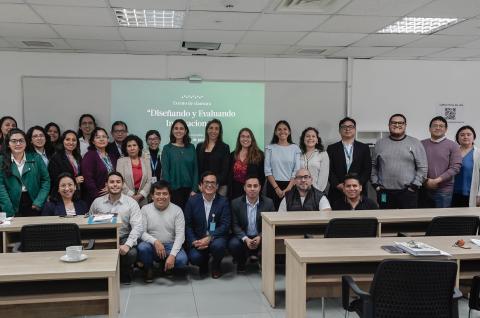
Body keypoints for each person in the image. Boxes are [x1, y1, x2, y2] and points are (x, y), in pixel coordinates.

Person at [89, 172, 143, 284]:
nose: (115, 185)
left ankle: (125, 271)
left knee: (131, 253)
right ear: (106, 184)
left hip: (123, 237)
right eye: (111, 182)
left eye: (118, 182)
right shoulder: (97, 202)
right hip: (103, 236)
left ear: (123, 184)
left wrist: (127, 245)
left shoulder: (131, 203)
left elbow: (137, 227)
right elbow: (89, 222)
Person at [371, 114, 427, 209]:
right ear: (389, 125)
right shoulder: (380, 143)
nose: (397, 125)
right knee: (386, 219)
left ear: (405, 125)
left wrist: (413, 187)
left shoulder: (415, 143)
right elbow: (373, 166)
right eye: (393, 122)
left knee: (407, 221)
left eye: (400, 123)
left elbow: (423, 168)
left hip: (408, 192)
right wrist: (375, 184)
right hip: (384, 192)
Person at [137, 181, 188, 283]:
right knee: (142, 248)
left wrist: (172, 255)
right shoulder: (145, 209)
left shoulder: (177, 210)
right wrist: (155, 241)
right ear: (152, 196)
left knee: (182, 260)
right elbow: (141, 232)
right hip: (152, 246)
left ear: (170, 195)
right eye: (158, 194)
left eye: (165, 194)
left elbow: (180, 236)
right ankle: (149, 268)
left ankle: (165, 264)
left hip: (170, 245)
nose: (161, 197)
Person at [185, 171, 231, 279]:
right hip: (198, 238)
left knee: (219, 246)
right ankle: (203, 264)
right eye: (206, 182)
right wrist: (194, 241)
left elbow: (225, 225)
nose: (209, 185)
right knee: (194, 257)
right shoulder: (192, 201)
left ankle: (216, 266)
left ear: (217, 186)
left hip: (216, 237)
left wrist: (210, 237)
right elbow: (188, 225)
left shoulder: (223, 202)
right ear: (200, 185)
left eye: (212, 182)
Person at [228, 175, 274, 273]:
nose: (252, 189)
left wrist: (260, 236)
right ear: (244, 188)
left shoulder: (268, 203)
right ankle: (242, 261)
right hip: (244, 235)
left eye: (255, 186)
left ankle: (261, 260)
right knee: (233, 244)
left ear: (260, 188)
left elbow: (271, 225)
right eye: (249, 186)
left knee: (271, 241)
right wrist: (245, 239)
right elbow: (234, 225)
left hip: (261, 235)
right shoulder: (235, 203)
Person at [0, 128, 50, 217]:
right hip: (10, 202)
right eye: (14, 141)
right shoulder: (2, 160)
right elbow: (0, 186)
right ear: (8, 143)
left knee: (33, 230)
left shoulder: (36, 158)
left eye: (21, 141)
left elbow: (46, 181)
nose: (18, 144)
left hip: (34, 201)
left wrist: (39, 201)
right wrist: (8, 207)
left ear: (26, 143)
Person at [327, 117, 372, 204]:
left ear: (355, 129)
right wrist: (338, 185)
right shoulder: (331, 148)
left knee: (359, 216)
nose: (347, 129)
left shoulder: (364, 148)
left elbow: (367, 169)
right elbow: (329, 170)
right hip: (337, 191)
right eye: (344, 127)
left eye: (351, 127)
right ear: (340, 130)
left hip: (358, 192)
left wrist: (357, 186)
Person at [420, 116, 462, 208]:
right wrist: (426, 181)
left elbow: (455, 168)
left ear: (446, 129)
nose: (438, 128)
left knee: (442, 220)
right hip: (424, 188)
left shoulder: (453, 145)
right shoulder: (421, 144)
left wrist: (436, 181)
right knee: (423, 219)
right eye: (435, 125)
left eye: (441, 126)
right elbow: (415, 165)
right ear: (429, 128)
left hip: (444, 191)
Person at [161, 119, 198, 210]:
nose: (178, 131)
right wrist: (169, 191)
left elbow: (196, 169)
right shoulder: (167, 148)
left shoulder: (191, 147)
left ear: (185, 131)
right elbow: (165, 172)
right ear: (172, 131)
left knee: (189, 217)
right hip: (174, 190)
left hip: (190, 190)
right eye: (176, 128)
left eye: (181, 128)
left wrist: (194, 189)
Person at [265, 120, 301, 210]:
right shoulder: (270, 147)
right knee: (272, 215)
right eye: (279, 129)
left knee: (288, 215)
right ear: (275, 132)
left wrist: (288, 189)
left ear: (289, 132)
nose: (282, 131)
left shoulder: (295, 148)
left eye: (285, 129)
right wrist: (276, 188)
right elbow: (267, 170)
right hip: (273, 186)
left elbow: (296, 170)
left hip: (290, 186)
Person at [81, 127, 117, 206]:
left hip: (113, 195)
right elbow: (88, 179)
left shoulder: (111, 156)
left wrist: (110, 188)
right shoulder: (89, 156)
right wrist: (97, 196)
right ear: (93, 141)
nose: (101, 139)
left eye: (104, 137)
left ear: (107, 139)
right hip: (96, 198)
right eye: (98, 137)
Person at [196, 119, 230, 196]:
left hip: (219, 187)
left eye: (216, 128)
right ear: (207, 130)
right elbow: (197, 168)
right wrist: (201, 184)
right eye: (211, 128)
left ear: (219, 132)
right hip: (202, 187)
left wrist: (213, 184)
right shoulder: (199, 146)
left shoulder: (225, 147)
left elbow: (225, 170)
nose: (213, 131)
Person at [116, 134, 151, 207]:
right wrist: (132, 195)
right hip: (126, 198)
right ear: (126, 148)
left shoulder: (146, 161)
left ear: (139, 147)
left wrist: (140, 195)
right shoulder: (121, 161)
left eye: (134, 145)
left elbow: (149, 181)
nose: (132, 148)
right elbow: (120, 181)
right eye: (129, 146)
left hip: (142, 199)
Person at [48, 130, 84, 196]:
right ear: (62, 141)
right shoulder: (56, 158)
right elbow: (55, 179)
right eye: (67, 139)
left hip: (77, 192)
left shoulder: (78, 156)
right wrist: (74, 180)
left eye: (74, 140)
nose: (71, 142)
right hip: (61, 194)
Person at [452, 126, 480, 207]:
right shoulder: (452, 152)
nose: (465, 137)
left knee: (469, 218)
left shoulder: (478, 153)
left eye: (468, 134)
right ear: (458, 138)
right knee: (453, 218)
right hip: (453, 193)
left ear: (474, 137)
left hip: (471, 193)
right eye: (462, 135)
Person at [299, 127, 329, 192]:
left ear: (317, 140)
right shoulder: (299, 154)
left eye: (313, 136)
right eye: (307, 136)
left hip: (316, 192)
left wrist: (317, 193)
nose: (310, 138)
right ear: (303, 139)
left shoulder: (323, 154)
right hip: (300, 191)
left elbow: (323, 177)